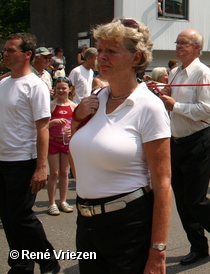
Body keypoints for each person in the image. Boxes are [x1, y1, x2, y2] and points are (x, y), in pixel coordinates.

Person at [69, 18, 171, 274]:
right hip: (86, 223)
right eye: (100, 50)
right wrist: (77, 118)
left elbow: (162, 184)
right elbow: (79, 152)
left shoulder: (149, 106)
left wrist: (158, 251)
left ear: (136, 58)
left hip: (127, 226)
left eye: (111, 51)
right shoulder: (94, 100)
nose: (100, 57)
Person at [158, 29, 210, 266]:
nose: (179, 46)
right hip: (176, 141)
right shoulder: (174, 72)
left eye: (184, 43)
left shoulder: (203, 73)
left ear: (196, 47)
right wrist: (167, 95)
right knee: (181, 200)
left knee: (195, 199)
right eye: (177, 42)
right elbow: (172, 102)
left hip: (198, 140)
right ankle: (198, 246)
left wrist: (175, 105)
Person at [0, 33, 60, 274]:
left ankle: (48, 261)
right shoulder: (3, 83)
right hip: (2, 159)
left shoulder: (35, 86)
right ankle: (22, 264)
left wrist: (41, 167)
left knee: (21, 216)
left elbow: (43, 127)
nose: (5, 53)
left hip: (23, 161)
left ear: (27, 55)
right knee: (8, 217)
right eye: (4, 49)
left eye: (11, 50)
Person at [46, 76, 77, 216]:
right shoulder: (51, 105)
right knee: (54, 173)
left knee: (64, 173)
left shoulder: (74, 106)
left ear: (70, 89)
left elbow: (78, 125)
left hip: (67, 143)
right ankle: (51, 203)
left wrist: (73, 131)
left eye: (64, 88)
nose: (61, 90)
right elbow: (43, 127)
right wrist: (54, 122)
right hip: (52, 141)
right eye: (58, 88)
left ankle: (63, 201)